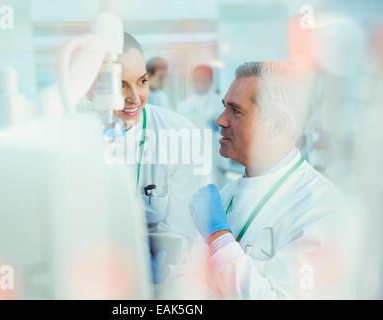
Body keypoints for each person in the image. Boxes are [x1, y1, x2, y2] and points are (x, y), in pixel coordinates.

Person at [175, 61, 344, 299]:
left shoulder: (321, 209)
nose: (220, 120)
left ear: (276, 125)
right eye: (224, 107)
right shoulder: (224, 197)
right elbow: (188, 280)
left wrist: (218, 238)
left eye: (236, 111)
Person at [108, 33, 207, 283]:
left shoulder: (179, 135)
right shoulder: (74, 136)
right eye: (119, 85)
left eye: (141, 81)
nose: (134, 97)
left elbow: (181, 236)